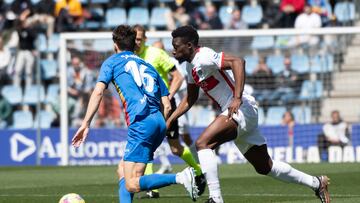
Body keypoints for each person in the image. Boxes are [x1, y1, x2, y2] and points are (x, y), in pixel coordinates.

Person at [167, 25, 330, 203]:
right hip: (235, 111)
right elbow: (190, 99)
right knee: (265, 166)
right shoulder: (191, 67)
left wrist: (237, 98)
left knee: (203, 143)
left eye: (176, 46)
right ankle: (316, 183)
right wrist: (170, 119)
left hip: (241, 107)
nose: (173, 50)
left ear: (189, 45)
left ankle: (216, 199)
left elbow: (238, 61)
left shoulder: (204, 56)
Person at [71, 25, 199, 203]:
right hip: (159, 122)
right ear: (134, 44)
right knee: (123, 171)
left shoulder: (112, 62)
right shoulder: (148, 66)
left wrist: (85, 124)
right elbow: (167, 105)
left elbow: (98, 92)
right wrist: (159, 124)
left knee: (131, 183)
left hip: (140, 123)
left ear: (115, 44)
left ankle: (180, 177)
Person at [132, 24, 205, 198]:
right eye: (134, 39)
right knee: (146, 147)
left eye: (140, 39)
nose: (137, 42)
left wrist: (169, 96)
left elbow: (178, 76)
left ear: (145, 39)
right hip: (145, 107)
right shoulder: (131, 57)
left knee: (174, 148)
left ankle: (199, 171)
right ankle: (153, 188)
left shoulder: (156, 54)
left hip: (164, 105)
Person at [152, 40, 195, 175]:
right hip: (158, 105)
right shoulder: (149, 61)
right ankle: (165, 164)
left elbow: (181, 82)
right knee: (152, 138)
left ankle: (197, 163)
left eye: (159, 50)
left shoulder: (171, 63)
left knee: (184, 137)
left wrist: (169, 94)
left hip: (177, 105)